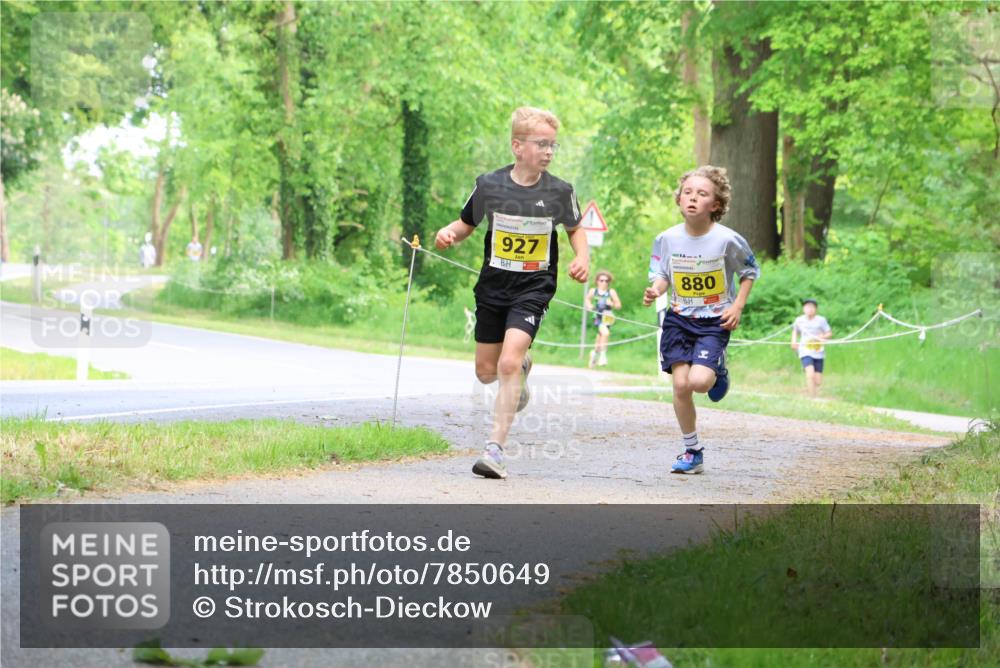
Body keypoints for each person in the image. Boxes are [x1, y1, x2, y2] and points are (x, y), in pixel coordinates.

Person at [434, 106, 588, 479]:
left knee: (506, 362)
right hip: (493, 286)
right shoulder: (489, 185)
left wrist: (581, 256)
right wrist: (449, 233)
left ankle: (494, 450)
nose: (549, 151)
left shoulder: (559, 191)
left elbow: (574, 228)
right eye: (541, 144)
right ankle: (521, 369)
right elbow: (467, 222)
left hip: (534, 288)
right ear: (518, 146)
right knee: (487, 371)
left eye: (553, 145)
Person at [643, 165, 760, 475]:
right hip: (678, 319)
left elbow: (749, 272)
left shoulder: (727, 240)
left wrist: (737, 306)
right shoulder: (666, 239)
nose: (692, 198)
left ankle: (716, 367)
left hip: (713, 322)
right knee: (681, 386)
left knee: (699, 382)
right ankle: (692, 450)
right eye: (688, 192)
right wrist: (655, 289)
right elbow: (661, 274)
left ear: (716, 205)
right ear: (679, 199)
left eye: (702, 194)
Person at [791, 298, 832, 397]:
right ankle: (812, 397)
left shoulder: (821, 320)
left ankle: (812, 389)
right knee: (810, 374)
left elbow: (829, 333)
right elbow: (795, 331)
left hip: (818, 351)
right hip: (805, 350)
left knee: (817, 381)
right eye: (807, 307)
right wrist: (793, 341)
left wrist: (821, 337)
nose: (809, 309)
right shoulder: (799, 320)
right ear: (803, 309)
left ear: (816, 309)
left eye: (812, 307)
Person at [585, 270, 621, 367]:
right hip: (597, 316)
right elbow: (587, 299)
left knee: (601, 337)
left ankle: (594, 353)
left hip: (608, 317)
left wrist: (612, 304)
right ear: (597, 281)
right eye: (601, 280)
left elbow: (618, 305)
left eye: (606, 280)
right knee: (606, 333)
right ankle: (602, 356)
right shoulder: (594, 291)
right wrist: (589, 306)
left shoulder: (611, 292)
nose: (604, 282)